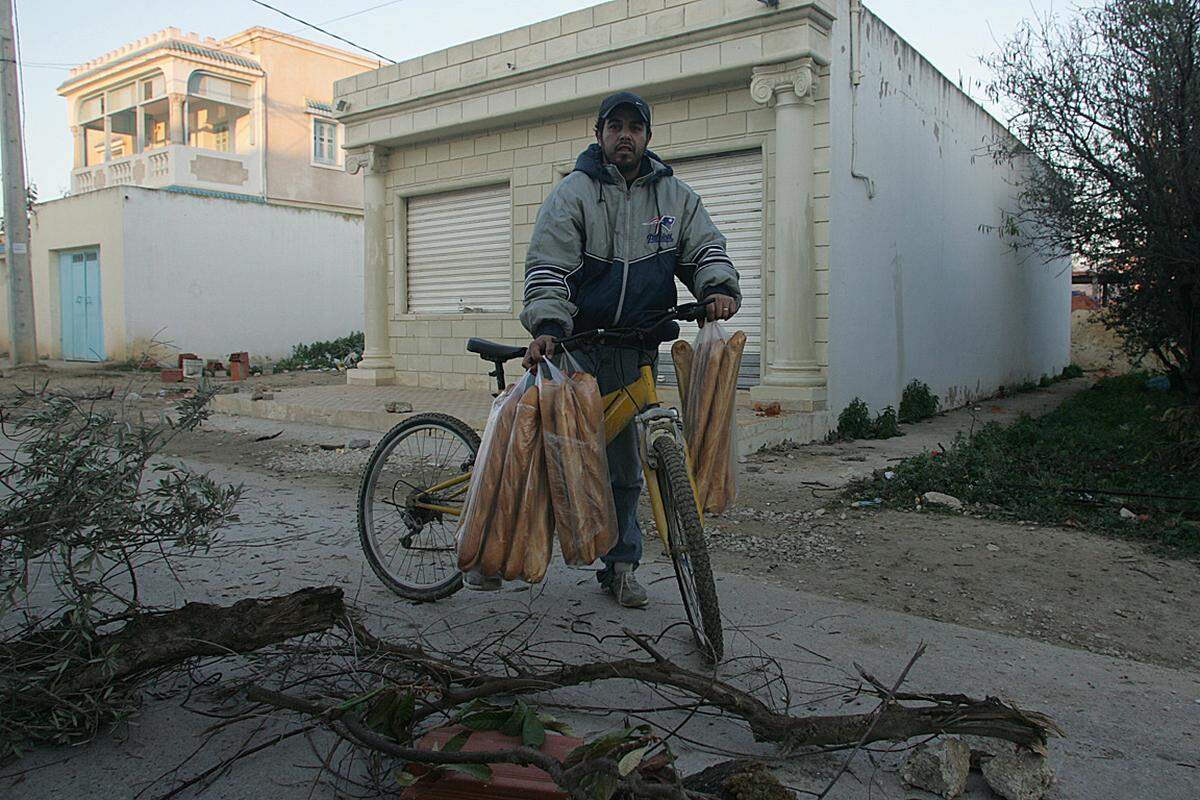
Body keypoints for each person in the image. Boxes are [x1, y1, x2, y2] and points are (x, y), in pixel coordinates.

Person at [469, 91, 741, 607]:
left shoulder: (674, 198)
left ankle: (619, 568)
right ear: (599, 135)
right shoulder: (574, 193)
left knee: (623, 468)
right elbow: (548, 266)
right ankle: (498, 548)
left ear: (647, 138)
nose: (624, 136)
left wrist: (716, 289)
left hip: (636, 349)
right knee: (553, 458)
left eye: (633, 128)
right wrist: (549, 323)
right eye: (614, 127)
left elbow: (705, 247)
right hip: (578, 349)